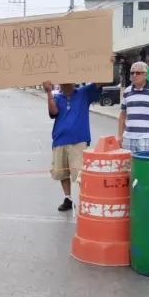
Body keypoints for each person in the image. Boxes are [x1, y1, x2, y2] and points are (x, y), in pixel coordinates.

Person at [43, 80, 105, 212]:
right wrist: (48, 92)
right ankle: (68, 198)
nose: (66, 84)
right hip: (60, 140)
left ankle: (85, 200)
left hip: (78, 140)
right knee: (62, 172)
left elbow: (101, 82)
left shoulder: (84, 93)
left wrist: (108, 62)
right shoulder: (57, 97)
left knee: (80, 173)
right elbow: (53, 113)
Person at [119, 61, 149, 153]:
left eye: (137, 73)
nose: (134, 75)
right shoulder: (127, 91)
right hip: (129, 138)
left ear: (145, 75)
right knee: (130, 166)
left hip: (148, 138)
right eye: (132, 73)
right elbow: (122, 115)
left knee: (147, 166)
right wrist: (120, 136)